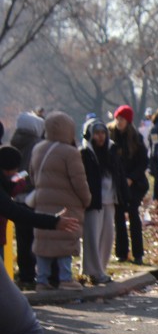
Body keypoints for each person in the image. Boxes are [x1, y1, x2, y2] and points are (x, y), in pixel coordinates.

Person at [30, 112, 91, 291]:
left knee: (44, 240)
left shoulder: (38, 148)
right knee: (65, 239)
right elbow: (79, 181)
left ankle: (42, 279)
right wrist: (86, 199)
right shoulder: (70, 153)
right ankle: (65, 278)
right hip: (67, 204)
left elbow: (32, 176)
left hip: (42, 201)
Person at [80, 119, 125, 285]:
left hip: (109, 200)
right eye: (97, 133)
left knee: (107, 237)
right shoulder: (85, 153)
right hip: (93, 202)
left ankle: (101, 269)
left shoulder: (111, 151)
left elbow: (118, 174)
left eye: (103, 133)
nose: (100, 137)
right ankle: (92, 271)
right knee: (92, 237)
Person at [108, 105, 149, 265]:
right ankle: (121, 252)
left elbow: (143, 161)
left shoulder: (136, 138)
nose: (119, 122)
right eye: (117, 118)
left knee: (133, 215)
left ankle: (138, 253)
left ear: (128, 121)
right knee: (118, 217)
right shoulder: (110, 135)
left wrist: (132, 178)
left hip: (135, 183)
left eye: (122, 119)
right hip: (117, 183)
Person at [9, 111, 45, 287]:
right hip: (32, 194)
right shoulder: (36, 145)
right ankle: (34, 272)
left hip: (16, 195)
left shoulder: (15, 141)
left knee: (22, 239)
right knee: (33, 236)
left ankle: (25, 273)